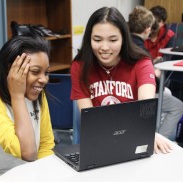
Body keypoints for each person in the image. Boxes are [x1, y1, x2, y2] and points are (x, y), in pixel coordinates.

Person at [70, 6, 172, 154]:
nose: (104, 47)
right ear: (89, 39)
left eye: (113, 40)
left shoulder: (141, 62)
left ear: (124, 38)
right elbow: (89, 116)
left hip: (133, 137)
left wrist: (147, 132)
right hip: (98, 139)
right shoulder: (80, 66)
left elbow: (145, 104)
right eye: (97, 39)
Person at [0, 34, 55, 181]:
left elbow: (45, 146)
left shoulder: (38, 95)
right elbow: (27, 152)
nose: (44, 80)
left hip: (28, 176)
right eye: (35, 72)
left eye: (46, 73)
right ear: (12, 70)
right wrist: (17, 95)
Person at [129, 5, 183, 141]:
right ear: (148, 28)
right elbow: (152, 83)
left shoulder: (125, 43)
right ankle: (159, 140)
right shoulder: (142, 50)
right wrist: (156, 74)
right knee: (177, 106)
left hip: (128, 90)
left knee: (167, 94)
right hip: (140, 93)